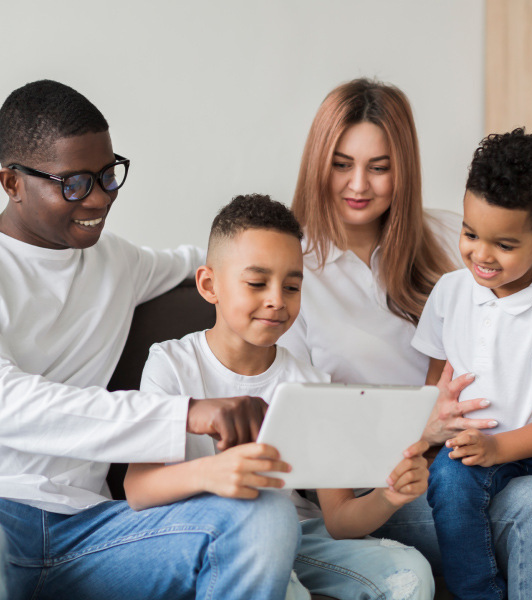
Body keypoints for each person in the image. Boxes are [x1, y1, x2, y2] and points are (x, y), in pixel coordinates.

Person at [0, 80, 301, 600]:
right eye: (75, 183)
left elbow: (219, 265)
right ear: (12, 182)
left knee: (265, 515)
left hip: (93, 531)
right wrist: (184, 413)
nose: (100, 198)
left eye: (107, 175)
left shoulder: (116, 260)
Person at [278, 77, 532, 599]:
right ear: (318, 161)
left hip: (481, 458)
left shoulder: (454, 238)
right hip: (385, 488)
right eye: (342, 163)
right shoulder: (293, 275)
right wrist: (425, 430)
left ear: (403, 168)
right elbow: (316, 442)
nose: (358, 185)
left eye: (380, 166)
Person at [125, 194, 435, 600]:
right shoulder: (172, 363)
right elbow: (138, 488)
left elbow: (340, 520)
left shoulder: (309, 382)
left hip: (299, 532)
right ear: (208, 284)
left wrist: (388, 496)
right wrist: (216, 474)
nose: (277, 299)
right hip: (215, 534)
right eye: (257, 283)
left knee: (411, 573)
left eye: (292, 286)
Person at [412, 128, 532, 600]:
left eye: (503, 244)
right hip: (471, 447)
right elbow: (436, 377)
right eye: (470, 233)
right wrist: (429, 430)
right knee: (449, 476)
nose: (481, 254)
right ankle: (479, 592)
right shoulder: (450, 292)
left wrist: (499, 450)